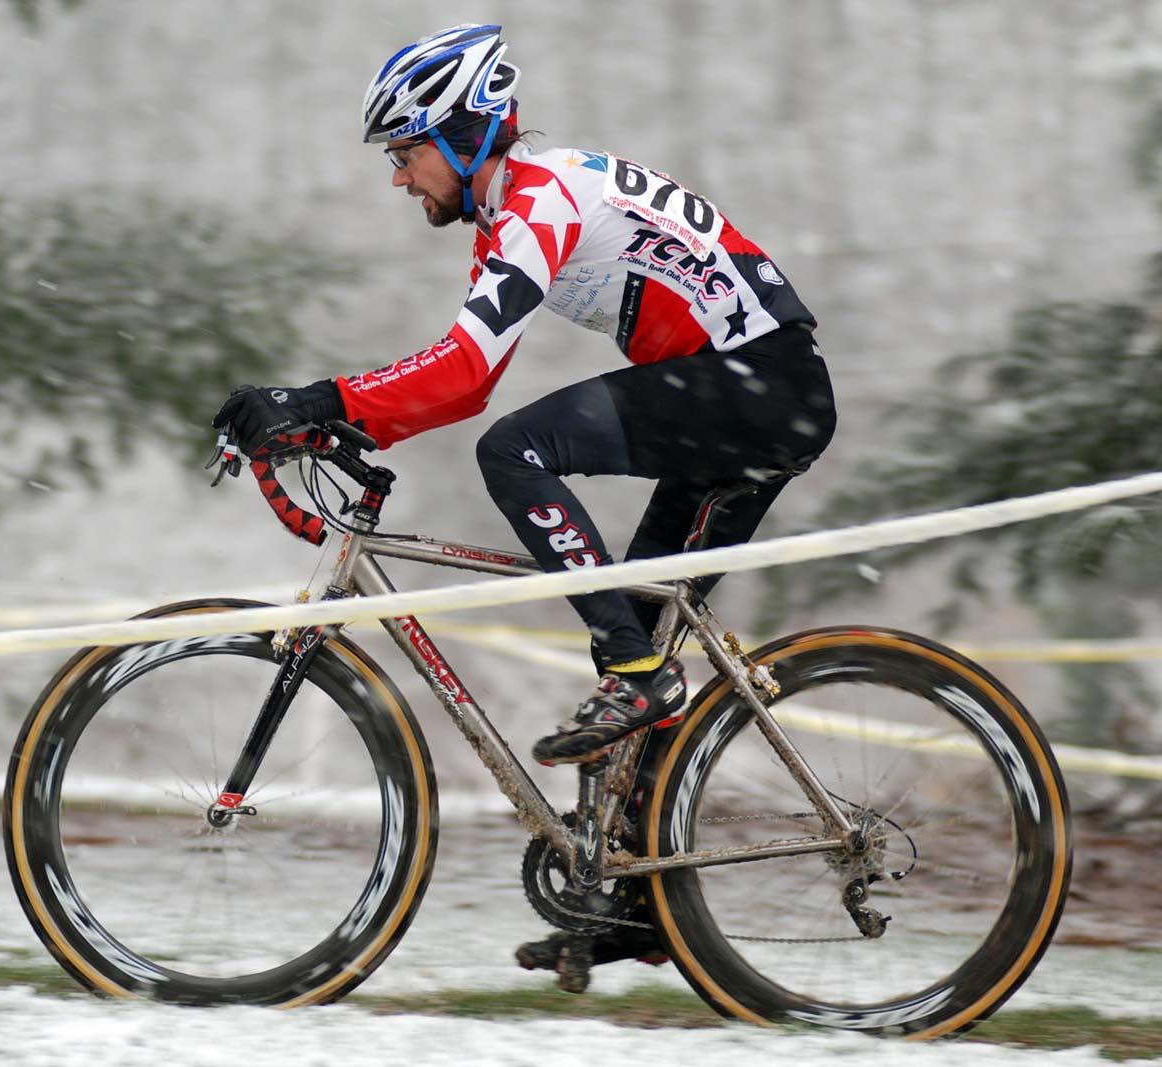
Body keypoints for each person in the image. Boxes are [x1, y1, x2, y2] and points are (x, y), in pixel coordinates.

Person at [212, 22, 835, 979]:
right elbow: (448, 361)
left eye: (407, 152)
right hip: (745, 393)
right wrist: (351, 419)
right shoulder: (521, 206)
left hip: (759, 388)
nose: (398, 178)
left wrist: (319, 401)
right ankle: (640, 900)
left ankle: (640, 673)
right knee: (629, 622)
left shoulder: (539, 198)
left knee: (518, 452)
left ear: (466, 136)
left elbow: (465, 378)